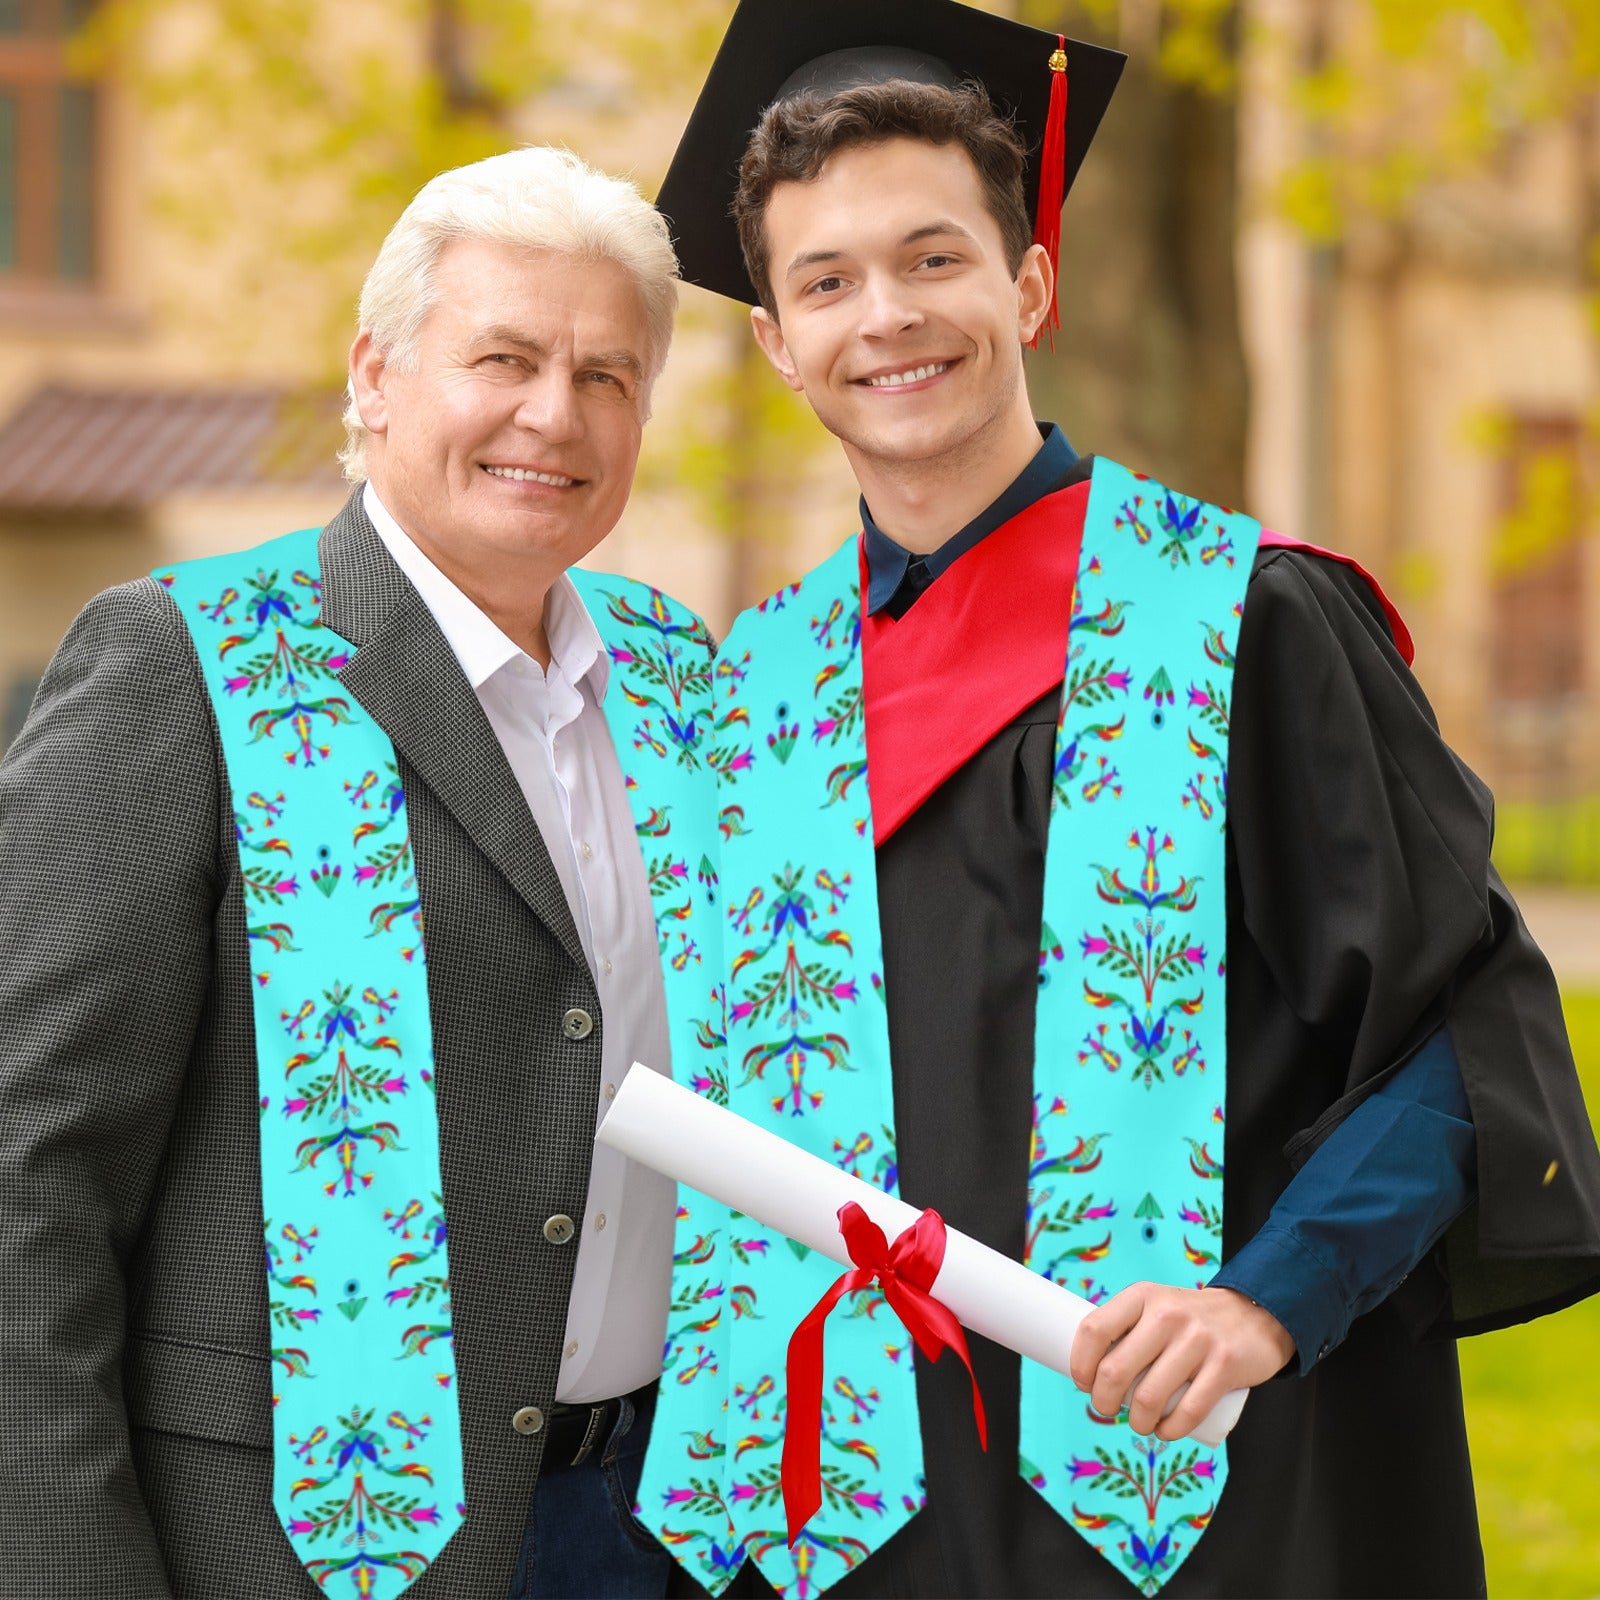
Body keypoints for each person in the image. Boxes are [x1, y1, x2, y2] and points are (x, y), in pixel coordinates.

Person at [630, 2, 1600, 1596]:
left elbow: (1461, 1033)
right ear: (777, 343)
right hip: (860, 1524)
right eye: (828, 281)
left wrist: (1268, 1301)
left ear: (1028, 282)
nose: (888, 316)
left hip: (1201, 1491)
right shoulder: (757, 699)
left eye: (936, 259)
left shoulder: (1245, 623)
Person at [0, 146, 725, 1599]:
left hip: (660, 1527)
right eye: (504, 357)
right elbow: (30, 1176)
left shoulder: (680, 685)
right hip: (296, 1548)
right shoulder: (189, 664)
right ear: (376, 376)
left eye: (606, 376)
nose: (553, 414)